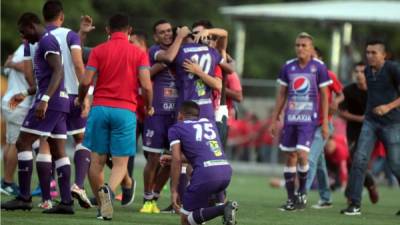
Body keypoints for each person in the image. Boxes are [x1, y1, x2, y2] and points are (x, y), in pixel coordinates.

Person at [76, 13, 153, 220]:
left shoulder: (99, 51)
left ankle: (103, 205)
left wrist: (80, 98)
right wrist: (149, 106)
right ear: (129, 31)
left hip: (100, 109)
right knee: (120, 163)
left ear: (107, 30)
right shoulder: (138, 53)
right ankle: (109, 191)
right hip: (126, 111)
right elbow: (146, 85)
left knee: (96, 161)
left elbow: (85, 82)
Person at [1, 12, 74, 214]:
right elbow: (48, 78)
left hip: (51, 103)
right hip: (60, 101)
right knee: (59, 150)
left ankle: (24, 198)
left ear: (32, 25)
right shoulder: (43, 43)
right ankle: (66, 202)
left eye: (24, 32)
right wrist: (25, 93)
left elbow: (58, 71)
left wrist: (44, 100)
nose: (23, 37)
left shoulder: (46, 42)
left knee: (22, 142)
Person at [269, 32, 331, 211]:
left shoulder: (319, 67)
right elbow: (282, 94)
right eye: (297, 45)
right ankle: (290, 198)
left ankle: (302, 191)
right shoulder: (288, 67)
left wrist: (325, 122)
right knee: (290, 157)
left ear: (311, 49)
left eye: (304, 45)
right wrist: (275, 118)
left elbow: (325, 96)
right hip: (291, 119)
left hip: (308, 120)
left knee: (303, 155)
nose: (300, 48)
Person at [40, 0, 91, 208]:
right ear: (61, 16)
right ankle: (78, 184)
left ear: (44, 17)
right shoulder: (70, 35)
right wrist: (85, 94)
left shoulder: (39, 37)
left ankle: (46, 199)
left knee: (48, 145)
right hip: (73, 95)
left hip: (49, 98)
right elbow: (78, 64)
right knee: (81, 139)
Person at [341, 39, 400, 216]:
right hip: (370, 123)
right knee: (359, 160)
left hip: (392, 124)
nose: (369, 56)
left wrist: (387, 107)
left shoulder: (393, 69)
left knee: (395, 165)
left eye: (374, 53)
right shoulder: (367, 71)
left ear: (384, 55)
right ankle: (355, 204)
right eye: (367, 52)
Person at [139, 20, 189, 214]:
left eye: (170, 31)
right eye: (162, 32)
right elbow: (167, 58)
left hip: (176, 115)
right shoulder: (153, 51)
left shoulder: (182, 50)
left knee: (172, 158)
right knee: (153, 158)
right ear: (156, 37)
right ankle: (147, 198)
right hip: (157, 113)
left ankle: (156, 196)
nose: (167, 34)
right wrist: (180, 37)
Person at [167, 101, 238, 225]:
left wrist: (174, 191)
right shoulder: (210, 123)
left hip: (205, 175)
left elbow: (177, 160)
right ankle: (223, 208)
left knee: (185, 220)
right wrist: (171, 158)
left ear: (180, 115)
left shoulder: (176, 128)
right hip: (225, 172)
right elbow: (202, 153)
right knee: (195, 218)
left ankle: (223, 208)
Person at [306, 47, 344, 209]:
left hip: (323, 125)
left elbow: (341, 93)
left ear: (320, 58)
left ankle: (300, 196)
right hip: (308, 124)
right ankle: (326, 197)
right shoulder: (305, 76)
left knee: (309, 160)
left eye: (313, 56)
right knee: (319, 163)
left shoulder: (329, 74)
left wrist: (336, 102)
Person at [338, 62, 379, 205]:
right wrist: (360, 118)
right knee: (355, 162)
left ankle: (351, 194)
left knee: (359, 162)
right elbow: (341, 113)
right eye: (357, 72)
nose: (359, 75)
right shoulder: (348, 90)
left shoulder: (376, 90)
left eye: (362, 72)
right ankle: (370, 184)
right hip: (354, 131)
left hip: (374, 130)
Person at [0, 44, 34, 196]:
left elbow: (8, 67)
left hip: (9, 100)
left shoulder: (19, 48)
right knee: (15, 144)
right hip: (19, 102)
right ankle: (7, 182)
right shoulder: (29, 47)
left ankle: (6, 181)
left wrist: (11, 63)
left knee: (9, 143)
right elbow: (24, 67)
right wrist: (13, 64)